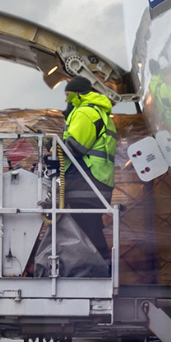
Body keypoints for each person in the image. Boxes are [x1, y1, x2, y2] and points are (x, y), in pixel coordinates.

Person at [60, 75, 117, 266]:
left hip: (87, 180)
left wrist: (52, 149)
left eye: (68, 96)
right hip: (96, 181)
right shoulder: (99, 112)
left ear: (78, 94)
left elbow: (75, 148)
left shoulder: (85, 113)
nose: (66, 101)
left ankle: (98, 270)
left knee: (84, 229)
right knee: (90, 228)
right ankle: (103, 267)